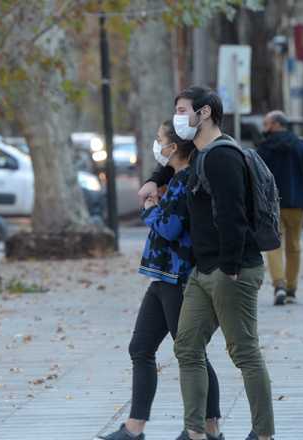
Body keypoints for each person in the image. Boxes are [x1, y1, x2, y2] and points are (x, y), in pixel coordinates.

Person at [98, 121, 223, 440]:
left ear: (174, 148)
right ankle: (134, 428)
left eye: (159, 141)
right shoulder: (176, 177)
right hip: (161, 276)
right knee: (140, 347)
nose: (156, 146)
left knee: (191, 353)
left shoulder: (187, 181)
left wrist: (150, 208)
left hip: (179, 277)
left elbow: (169, 228)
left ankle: (208, 428)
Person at [171, 86, 275, 440]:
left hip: (232, 269)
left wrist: (229, 267)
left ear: (205, 114)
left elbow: (233, 215)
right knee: (186, 344)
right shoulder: (200, 155)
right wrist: (155, 180)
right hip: (204, 271)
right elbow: (169, 161)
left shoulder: (221, 157)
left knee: (244, 351)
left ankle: (263, 434)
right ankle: (196, 431)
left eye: (184, 110)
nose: (178, 118)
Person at [256, 110, 303, 306]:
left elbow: (256, 178)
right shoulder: (302, 148)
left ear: (277, 124)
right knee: (294, 247)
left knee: (274, 245)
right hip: (297, 204)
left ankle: (279, 285)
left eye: (267, 123)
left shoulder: (264, 149)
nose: (264, 127)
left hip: (272, 205)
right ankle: (291, 289)